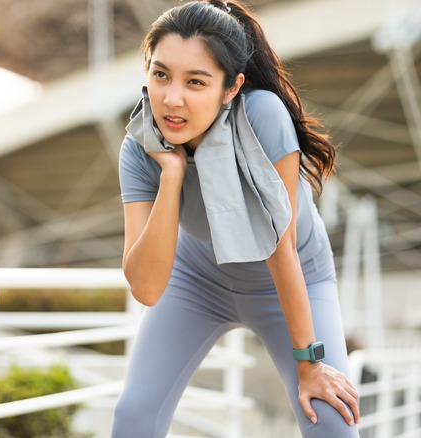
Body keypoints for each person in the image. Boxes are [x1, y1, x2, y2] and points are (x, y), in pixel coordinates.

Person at [112, 1, 360, 437]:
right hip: (198, 279)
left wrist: (310, 364)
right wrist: (172, 174)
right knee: (133, 418)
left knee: (331, 423)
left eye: (196, 82)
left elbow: (278, 247)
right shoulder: (139, 148)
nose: (172, 98)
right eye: (161, 74)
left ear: (231, 88)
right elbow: (148, 288)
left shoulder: (261, 116)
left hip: (290, 275)